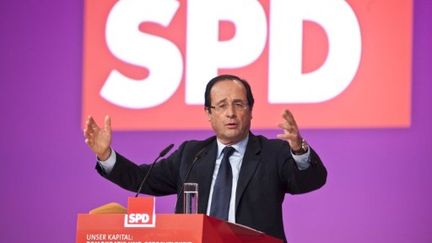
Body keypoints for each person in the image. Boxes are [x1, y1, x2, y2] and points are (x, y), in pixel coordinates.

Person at [83, 74, 327, 242]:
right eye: (221, 105)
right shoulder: (192, 155)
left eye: (239, 104)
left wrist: (299, 149)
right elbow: (141, 179)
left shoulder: (273, 153)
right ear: (208, 114)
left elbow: (310, 180)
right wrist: (105, 154)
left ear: (250, 111)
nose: (230, 113)